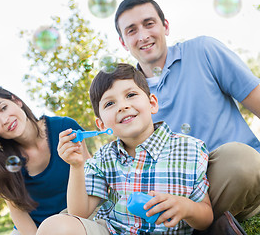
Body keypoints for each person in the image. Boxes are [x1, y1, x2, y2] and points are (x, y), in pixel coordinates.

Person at [114, 0, 260, 221]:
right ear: (123, 42)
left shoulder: (203, 50)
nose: (143, 36)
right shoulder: (128, 97)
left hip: (242, 175)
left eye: (149, 23)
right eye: (131, 30)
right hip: (186, 196)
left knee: (241, 160)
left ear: (165, 26)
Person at [37, 63, 213, 235]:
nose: (122, 106)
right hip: (113, 231)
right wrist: (76, 167)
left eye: (131, 94)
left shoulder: (190, 149)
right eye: (109, 104)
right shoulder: (103, 158)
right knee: (53, 227)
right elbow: (79, 214)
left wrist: (186, 207)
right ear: (101, 124)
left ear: (152, 103)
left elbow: (206, 217)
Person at [0, 85, 87, 235]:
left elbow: (92, 179)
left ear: (17, 101)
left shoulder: (65, 129)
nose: (4, 120)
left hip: (75, 220)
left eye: (3, 108)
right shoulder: (2, 164)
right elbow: (20, 216)